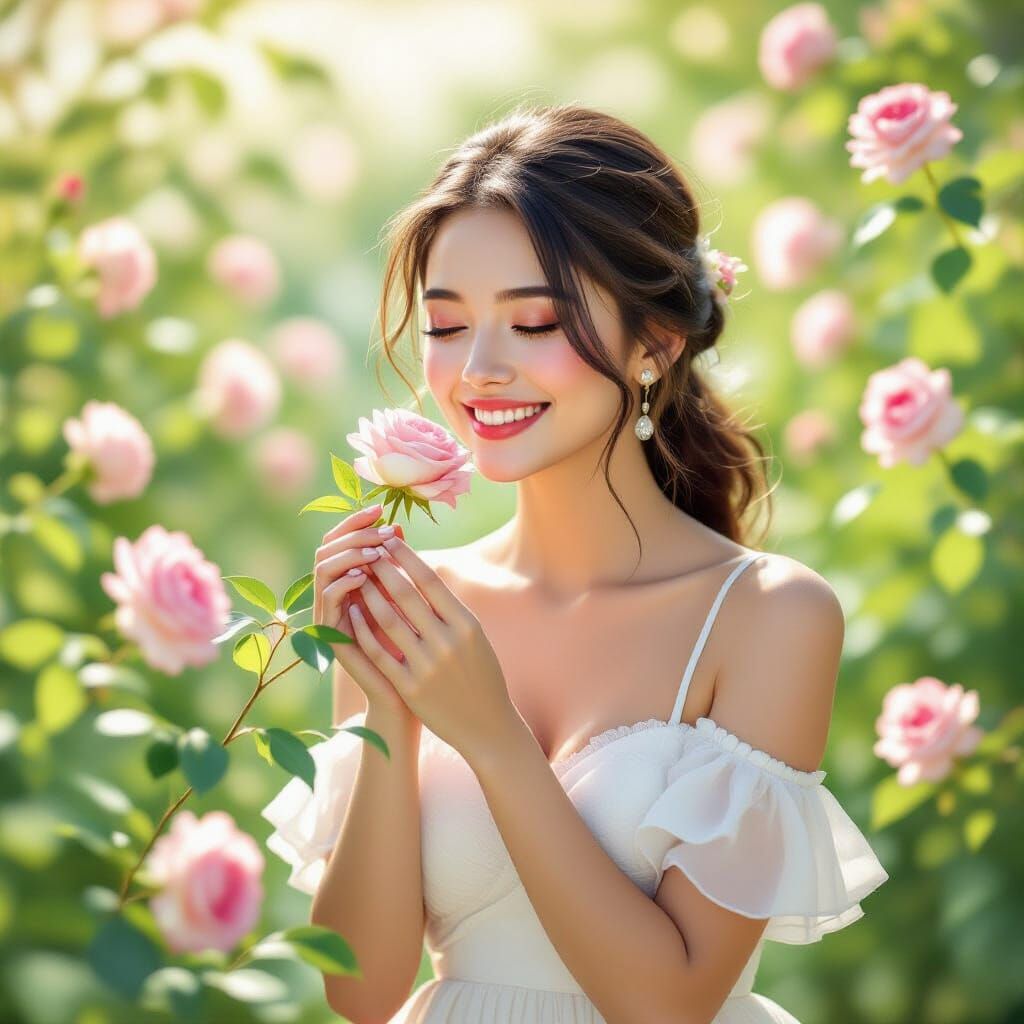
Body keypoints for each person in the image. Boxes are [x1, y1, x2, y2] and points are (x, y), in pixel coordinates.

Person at [261, 101, 889, 1024]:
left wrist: (490, 733)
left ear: (655, 344)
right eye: (446, 326)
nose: (479, 368)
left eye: (534, 323)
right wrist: (388, 707)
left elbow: (668, 1005)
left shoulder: (768, 616)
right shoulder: (419, 611)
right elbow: (361, 989)